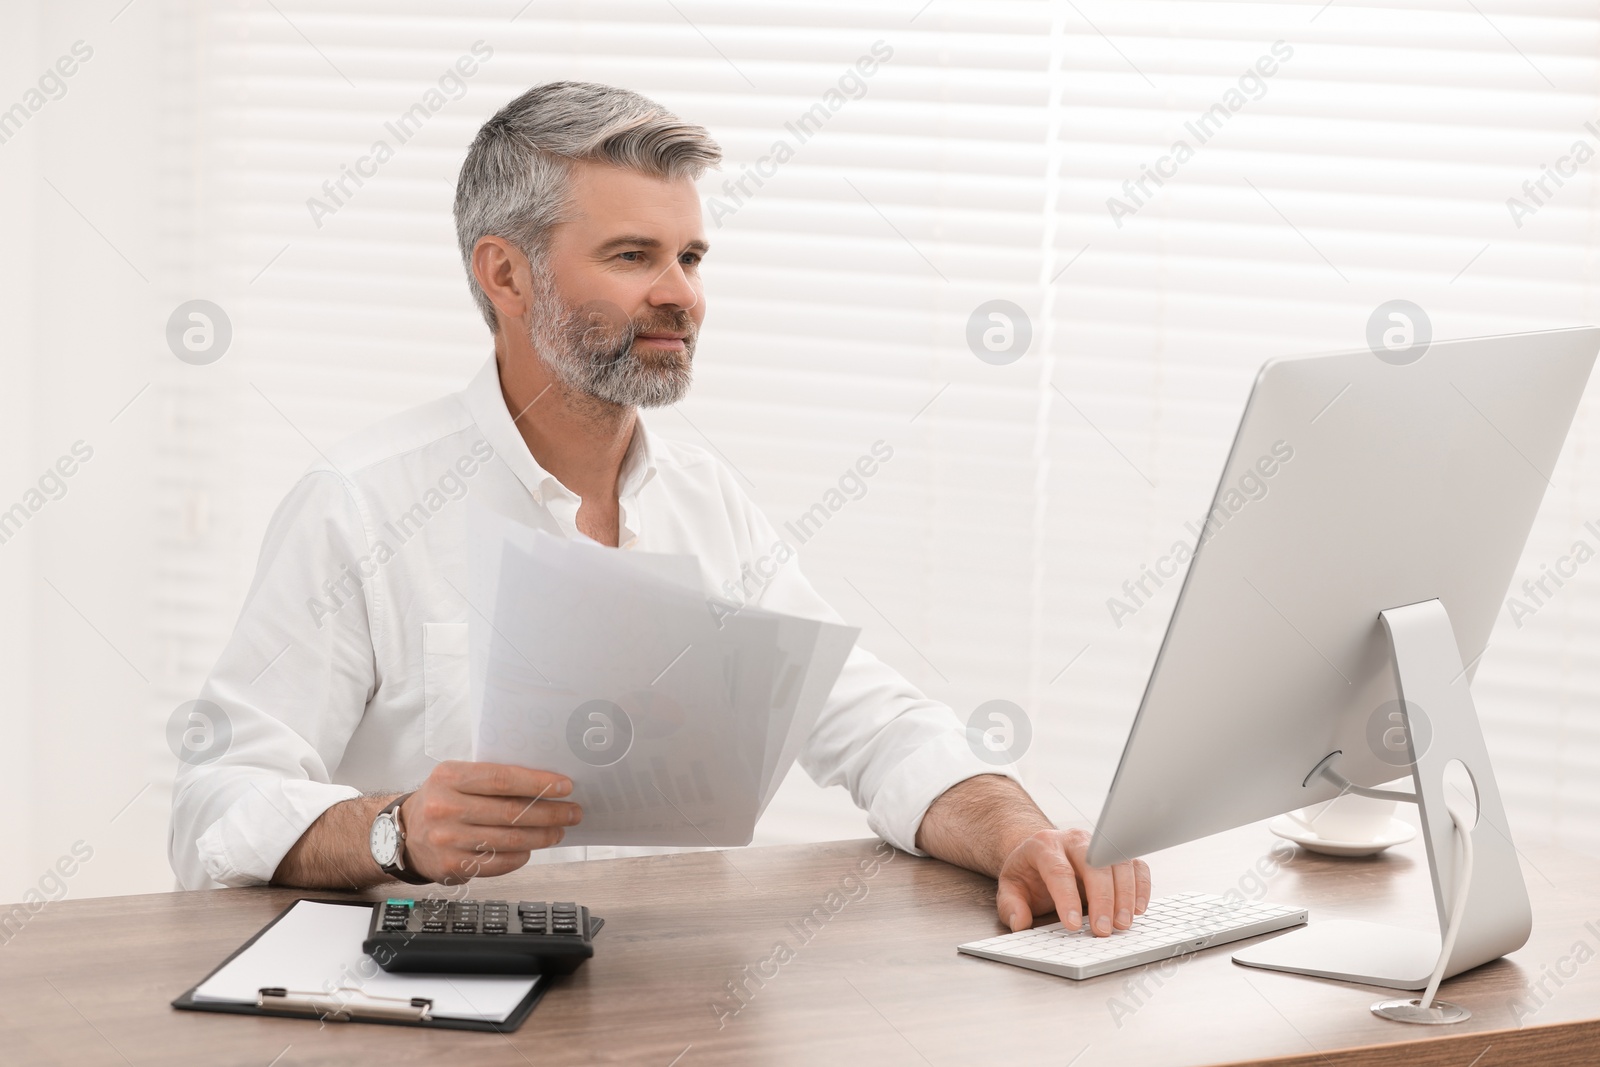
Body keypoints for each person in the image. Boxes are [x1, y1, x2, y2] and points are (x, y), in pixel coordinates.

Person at [168, 81, 1150, 939]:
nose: (682, 295)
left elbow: (877, 724)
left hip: (673, 996)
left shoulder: (703, 499)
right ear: (506, 275)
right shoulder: (361, 504)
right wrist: (395, 831)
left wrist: (1017, 829)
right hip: (435, 1004)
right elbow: (217, 804)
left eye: (692, 256)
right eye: (635, 255)